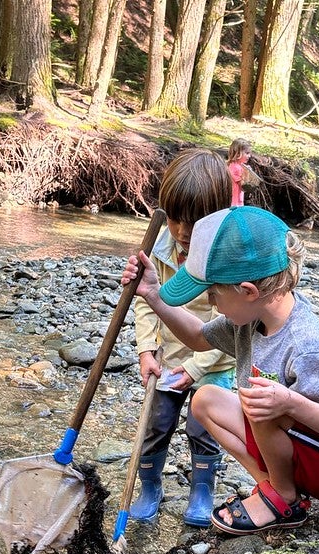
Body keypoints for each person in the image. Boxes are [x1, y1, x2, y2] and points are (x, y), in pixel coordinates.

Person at [122, 206, 319, 535]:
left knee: (259, 400)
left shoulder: (306, 343)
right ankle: (274, 489)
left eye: (212, 293)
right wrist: (153, 295)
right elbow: (198, 338)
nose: (211, 303)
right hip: (295, 440)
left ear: (248, 291)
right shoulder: (251, 319)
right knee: (205, 400)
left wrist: (289, 403)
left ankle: (282, 498)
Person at [128, 149, 235, 527]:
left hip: (216, 361)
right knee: (156, 423)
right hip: (170, 357)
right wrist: (146, 350)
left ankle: (202, 490)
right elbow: (146, 303)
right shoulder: (159, 248)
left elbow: (231, 328)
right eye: (175, 220)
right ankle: (149, 486)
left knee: (202, 428)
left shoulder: (226, 256)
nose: (183, 233)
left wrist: (195, 367)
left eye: (195, 222)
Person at [227, 138, 252, 207]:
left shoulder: (236, 165)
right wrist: (248, 173)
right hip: (235, 202)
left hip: (236, 199)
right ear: (238, 154)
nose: (249, 156)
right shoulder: (236, 168)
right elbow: (243, 186)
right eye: (247, 153)